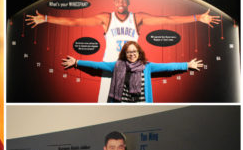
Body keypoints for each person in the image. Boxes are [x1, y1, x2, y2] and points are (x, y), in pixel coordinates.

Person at [25, 0, 220, 102]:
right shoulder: (105, 18)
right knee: (107, 104)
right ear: (114, 3)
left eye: (124, 0)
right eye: (117, 0)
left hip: (132, 70)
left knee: (137, 100)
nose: (121, 3)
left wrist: (198, 17)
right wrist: (46, 18)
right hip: (111, 67)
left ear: (128, 2)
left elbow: (167, 19)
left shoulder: (138, 18)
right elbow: (75, 22)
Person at [61, 41, 203, 103]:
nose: (132, 54)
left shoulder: (146, 66)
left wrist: (187, 65)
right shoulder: (117, 65)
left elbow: (167, 67)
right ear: (125, 54)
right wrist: (77, 62)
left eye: (134, 52)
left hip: (142, 104)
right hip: (120, 103)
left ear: (138, 52)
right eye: (129, 52)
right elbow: (97, 66)